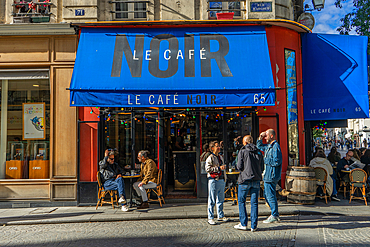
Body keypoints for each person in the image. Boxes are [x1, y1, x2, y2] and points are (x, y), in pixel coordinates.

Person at [234, 135, 263, 232]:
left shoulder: (242, 151)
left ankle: (243, 223)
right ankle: (253, 226)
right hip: (256, 179)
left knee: (242, 202)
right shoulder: (258, 151)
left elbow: (239, 166)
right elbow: (262, 167)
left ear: (245, 142)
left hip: (245, 179)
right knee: (254, 203)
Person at [257, 129, 282, 224]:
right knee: (267, 195)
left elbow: (277, 161)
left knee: (270, 195)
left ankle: (274, 215)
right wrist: (260, 137)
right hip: (268, 174)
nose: (265, 137)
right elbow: (259, 146)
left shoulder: (275, 147)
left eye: (266, 136)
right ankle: (274, 213)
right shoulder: (268, 146)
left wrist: (265, 160)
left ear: (271, 136)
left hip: (271, 175)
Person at [205, 140, 228, 225]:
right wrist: (218, 168)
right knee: (212, 199)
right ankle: (210, 217)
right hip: (213, 180)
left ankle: (220, 215)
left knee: (221, 199)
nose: (219, 148)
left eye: (219, 146)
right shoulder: (210, 158)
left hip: (221, 179)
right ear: (212, 148)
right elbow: (207, 169)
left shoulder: (220, 157)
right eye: (217, 146)